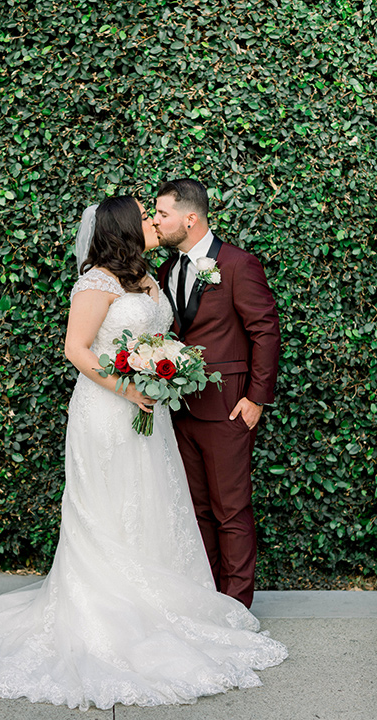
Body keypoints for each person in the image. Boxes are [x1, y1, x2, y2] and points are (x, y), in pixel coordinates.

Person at [0, 195, 286, 711]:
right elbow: (76, 348)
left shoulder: (149, 276)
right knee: (110, 510)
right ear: (124, 226)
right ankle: (109, 612)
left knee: (156, 505)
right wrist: (127, 388)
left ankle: (167, 605)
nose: (153, 221)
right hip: (109, 412)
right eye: (145, 215)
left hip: (151, 415)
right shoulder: (96, 280)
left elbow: (168, 335)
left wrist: (165, 370)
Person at [155, 179, 281, 610]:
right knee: (198, 511)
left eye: (162, 214)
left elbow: (264, 331)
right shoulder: (169, 269)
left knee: (231, 511)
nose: (156, 221)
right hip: (180, 409)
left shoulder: (238, 263)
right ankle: (209, 600)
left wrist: (256, 398)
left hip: (229, 408)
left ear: (190, 219)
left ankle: (237, 608)